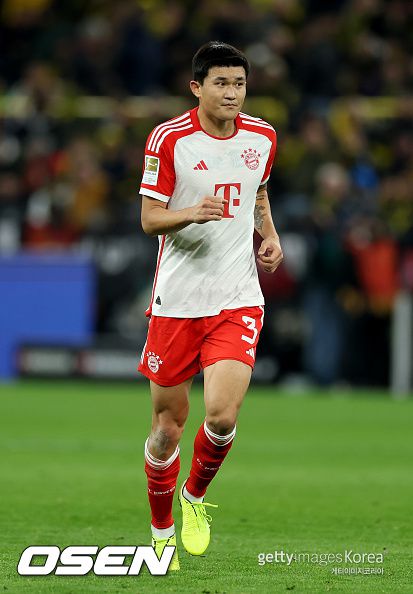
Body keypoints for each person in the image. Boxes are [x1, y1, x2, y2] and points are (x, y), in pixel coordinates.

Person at [138, 41, 283, 571]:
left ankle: (194, 496)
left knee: (221, 417)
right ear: (197, 88)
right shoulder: (170, 139)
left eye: (239, 84)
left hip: (237, 297)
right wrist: (191, 213)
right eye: (221, 83)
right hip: (177, 302)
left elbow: (258, 193)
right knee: (168, 428)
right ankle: (160, 531)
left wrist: (269, 234)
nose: (232, 94)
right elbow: (149, 219)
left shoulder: (263, 136)